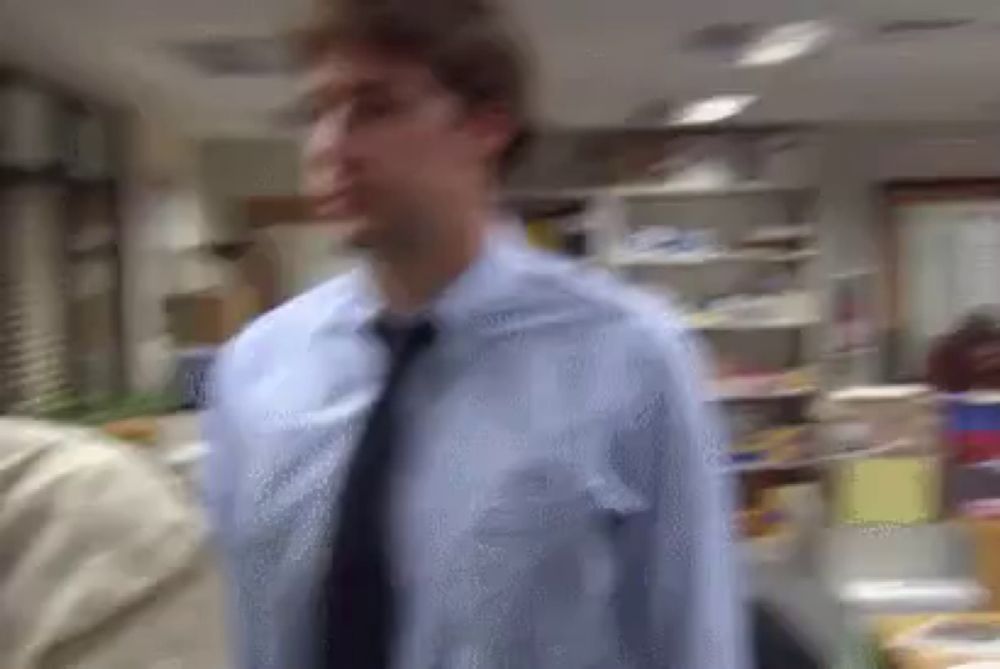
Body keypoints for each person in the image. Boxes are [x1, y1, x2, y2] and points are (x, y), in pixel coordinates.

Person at [201, 0, 748, 667]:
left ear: (486, 126)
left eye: (374, 108)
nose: (329, 147)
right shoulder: (257, 371)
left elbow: (692, 643)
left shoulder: (631, 359)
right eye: (317, 112)